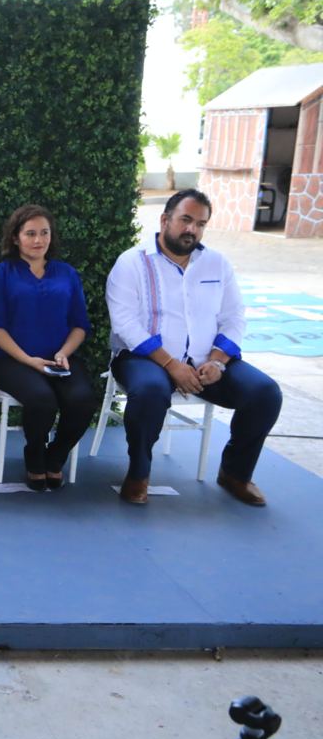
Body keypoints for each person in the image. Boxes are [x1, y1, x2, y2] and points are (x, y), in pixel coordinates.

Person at [106, 188, 281, 506]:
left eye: (200, 224)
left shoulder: (217, 264)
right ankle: (138, 474)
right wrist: (171, 365)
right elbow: (125, 324)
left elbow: (234, 317)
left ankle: (235, 474)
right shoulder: (132, 262)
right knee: (150, 391)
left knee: (265, 393)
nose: (192, 229)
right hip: (145, 359)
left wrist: (217, 362)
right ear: (165, 220)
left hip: (205, 362)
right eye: (185, 220)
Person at [0, 204, 98, 490]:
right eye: (30, 233)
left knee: (83, 399)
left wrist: (64, 353)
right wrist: (28, 360)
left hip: (59, 359)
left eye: (44, 233)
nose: (38, 240)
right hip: (9, 360)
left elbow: (79, 324)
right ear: (15, 238)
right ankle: (34, 456)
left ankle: (55, 457)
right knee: (42, 399)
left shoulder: (67, 273)